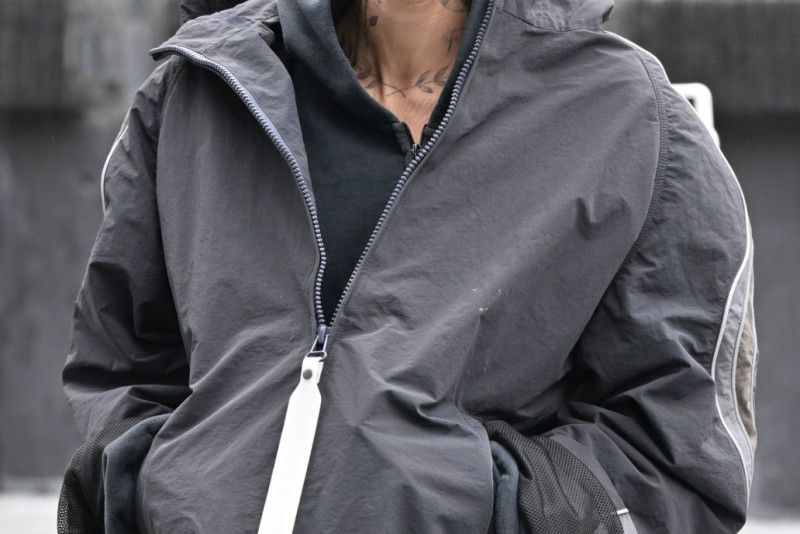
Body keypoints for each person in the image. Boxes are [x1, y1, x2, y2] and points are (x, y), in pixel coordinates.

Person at [58, 0, 758, 532]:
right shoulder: (199, 91)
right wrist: (160, 487)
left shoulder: (636, 123)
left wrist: (488, 501)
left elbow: (676, 448)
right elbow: (121, 365)